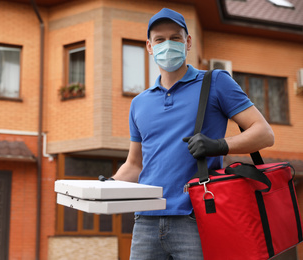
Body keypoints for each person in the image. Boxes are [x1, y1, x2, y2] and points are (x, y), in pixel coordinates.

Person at [111, 7, 274, 260]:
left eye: (175, 38)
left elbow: (264, 133)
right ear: (149, 47)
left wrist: (219, 145)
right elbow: (135, 164)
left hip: (195, 218)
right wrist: (107, 187)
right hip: (145, 222)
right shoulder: (139, 103)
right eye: (160, 39)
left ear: (187, 42)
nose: (168, 44)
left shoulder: (215, 82)